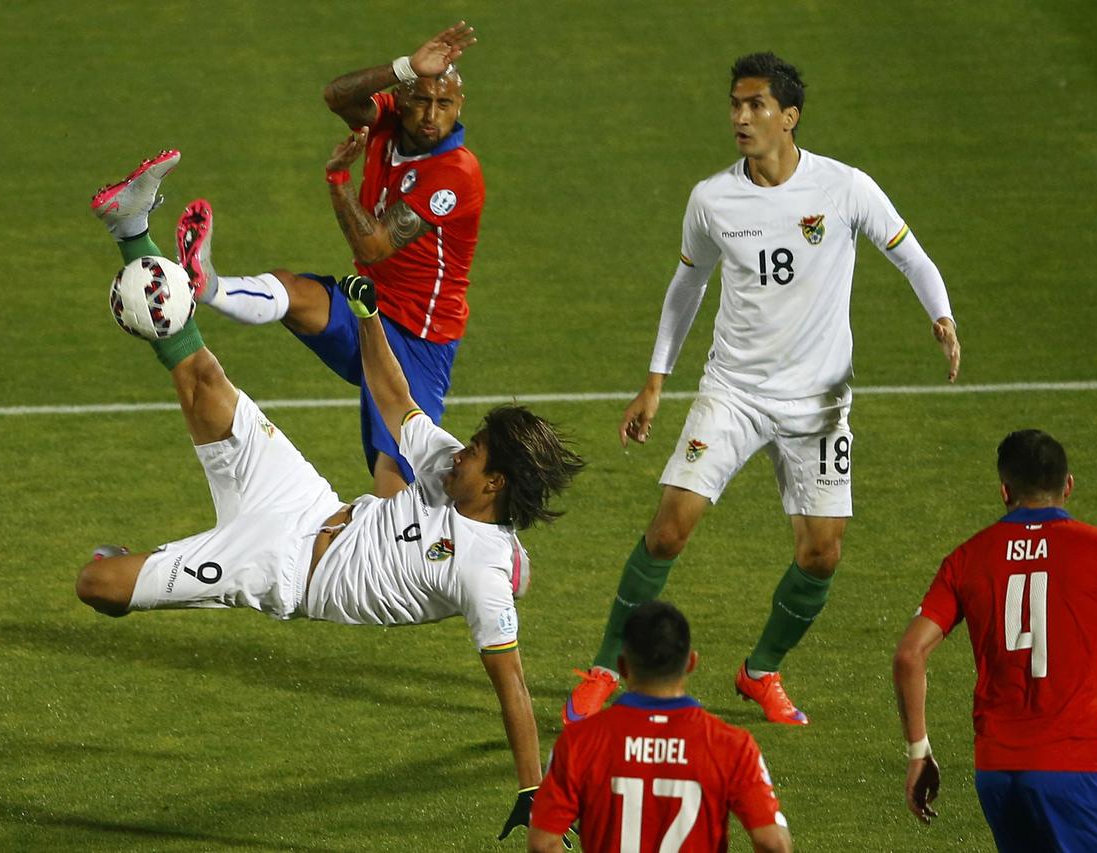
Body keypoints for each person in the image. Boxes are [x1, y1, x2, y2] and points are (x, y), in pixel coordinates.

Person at [81, 160, 584, 842]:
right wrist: (369, 318)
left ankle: (125, 565)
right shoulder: (446, 470)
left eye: (476, 451)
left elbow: (513, 685)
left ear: (494, 484)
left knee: (98, 585)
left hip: (276, 566)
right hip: (302, 501)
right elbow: (394, 396)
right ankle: (129, 225)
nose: (460, 451)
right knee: (204, 379)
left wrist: (532, 787)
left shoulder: (483, 570)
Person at [565, 52, 961, 726]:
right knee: (669, 529)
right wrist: (655, 383)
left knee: (821, 552)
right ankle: (606, 666)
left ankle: (761, 671)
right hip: (735, 392)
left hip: (820, 403)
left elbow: (910, 254)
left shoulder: (845, 188)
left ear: (790, 116)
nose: (741, 118)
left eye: (756, 105)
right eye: (735, 104)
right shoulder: (712, 199)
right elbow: (686, 286)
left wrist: (942, 316)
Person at [174, 22, 480, 496]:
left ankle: (392, 544)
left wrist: (339, 180)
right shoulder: (387, 121)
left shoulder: (455, 173)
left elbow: (373, 246)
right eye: (420, 100)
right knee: (293, 292)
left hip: (420, 337)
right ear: (401, 101)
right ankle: (207, 284)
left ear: (459, 107)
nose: (430, 115)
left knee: (394, 481)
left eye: (444, 104)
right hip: (370, 309)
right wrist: (406, 67)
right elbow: (336, 96)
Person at [892, 429, 1097, 850]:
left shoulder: (967, 557)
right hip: (1076, 772)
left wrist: (918, 750)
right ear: (1068, 485)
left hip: (996, 777)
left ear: (1004, 491)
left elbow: (908, 655)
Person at [529, 601, 792, 852]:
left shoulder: (579, 742)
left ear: (622, 666)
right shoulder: (732, 746)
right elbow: (772, 844)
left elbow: (543, 843)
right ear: (691, 663)